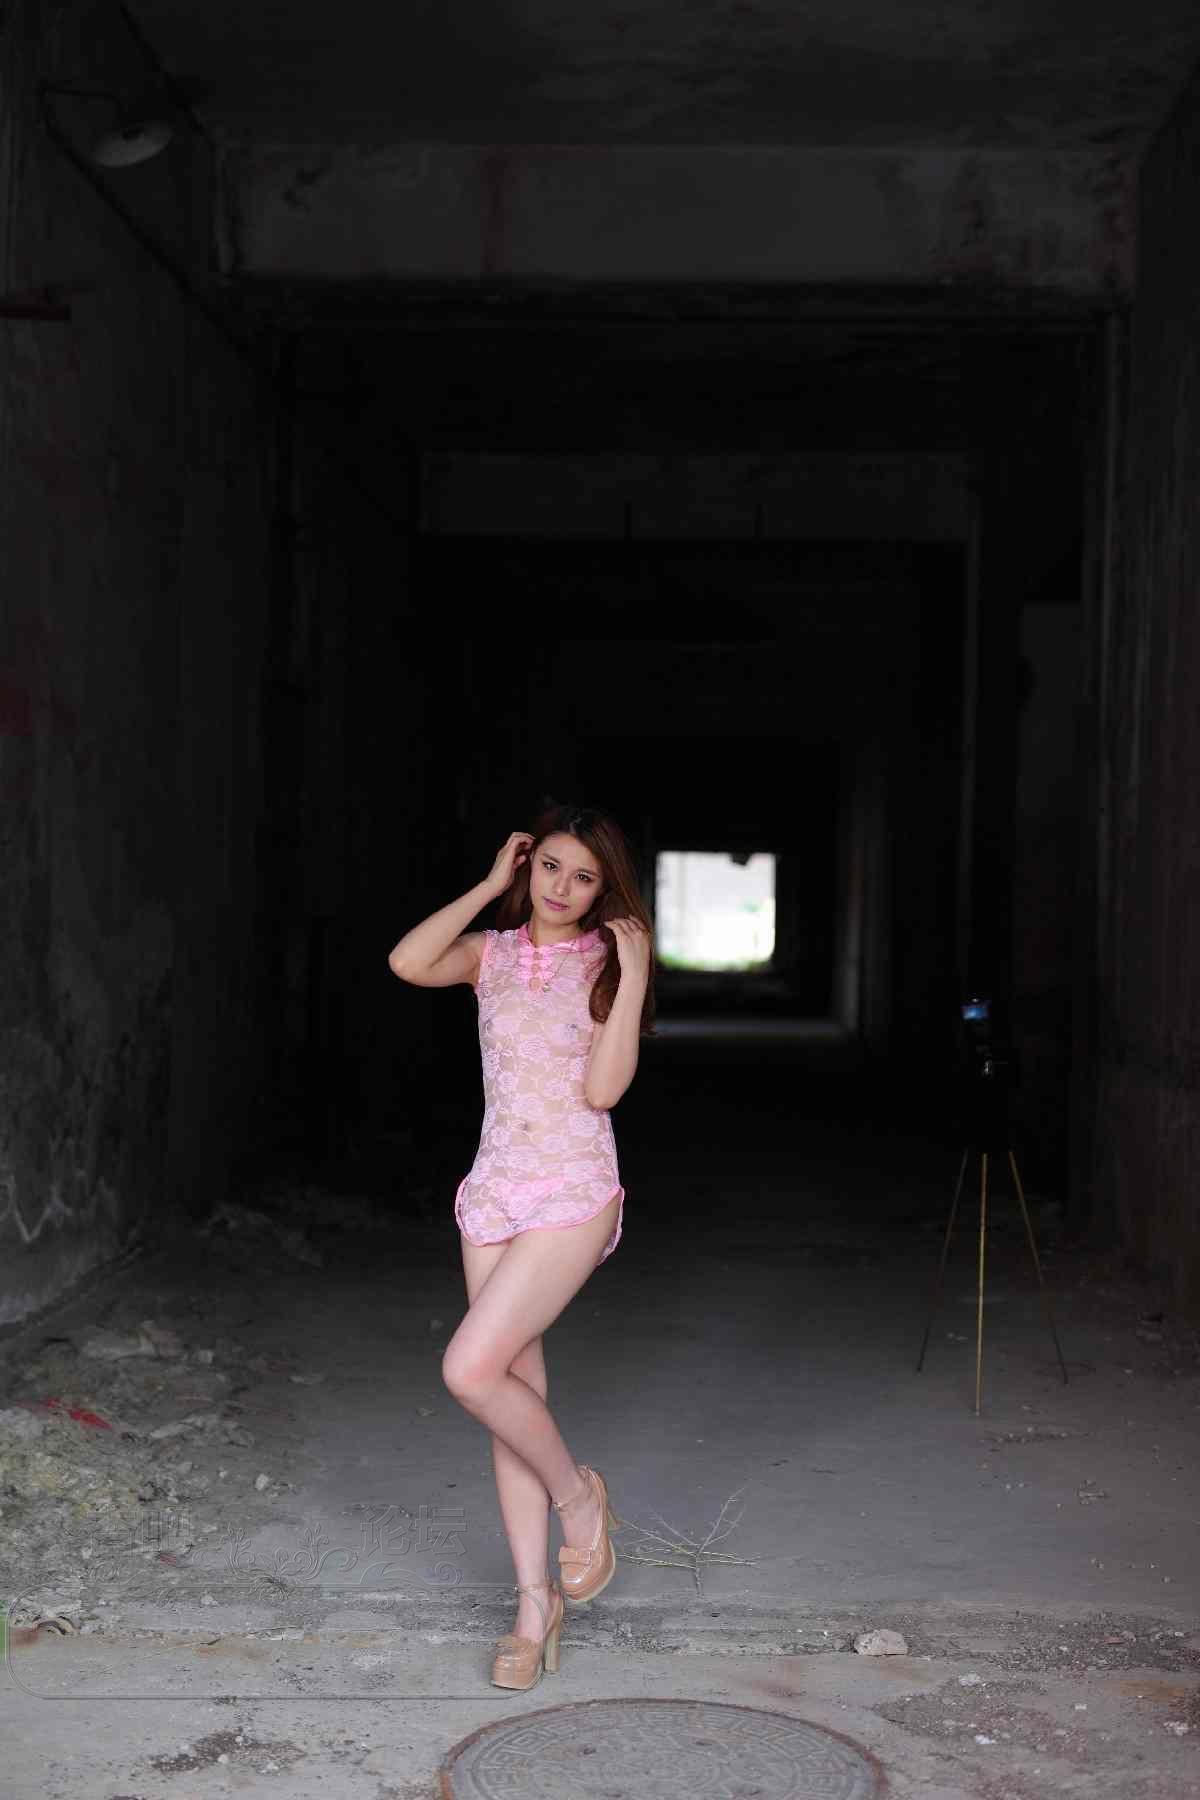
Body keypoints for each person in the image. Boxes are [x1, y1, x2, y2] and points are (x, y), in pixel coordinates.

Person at [387, 802, 655, 1690]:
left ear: (603, 889)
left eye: (584, 877)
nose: (563, 888)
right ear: (528, 866)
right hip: (494, 1191)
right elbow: (407, 961)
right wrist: (485, 887)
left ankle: (580, 1500)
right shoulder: (490, 955)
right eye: (550, 868)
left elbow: (605, 1090)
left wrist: (637, 970)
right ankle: (534, 1606)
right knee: (511, 1399)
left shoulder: (607, 960)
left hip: (573, 1189)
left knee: (469, 1370)